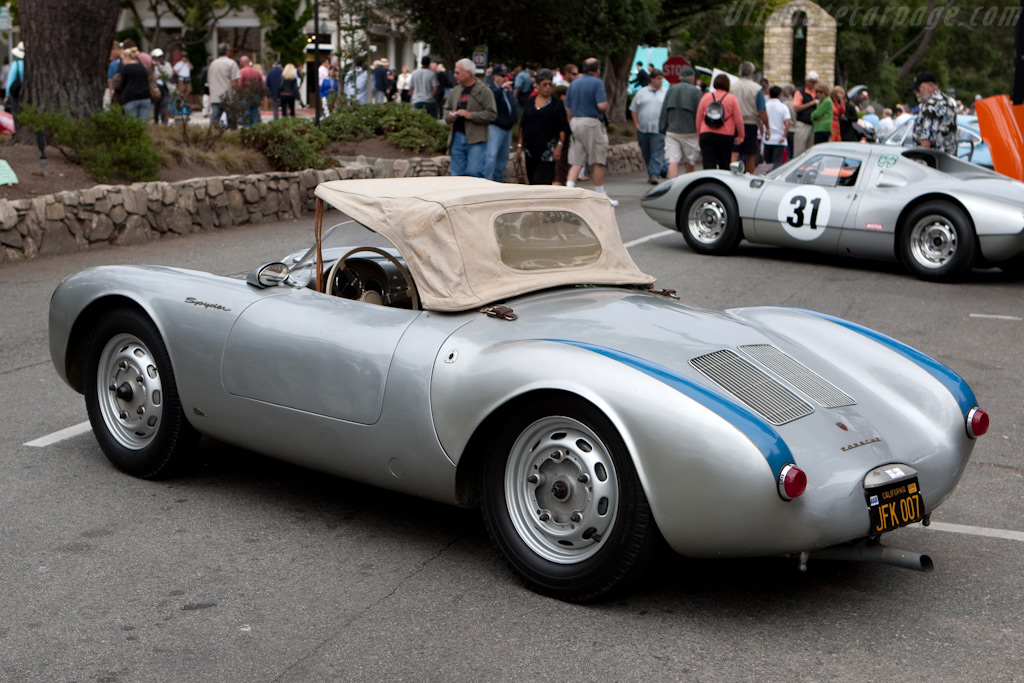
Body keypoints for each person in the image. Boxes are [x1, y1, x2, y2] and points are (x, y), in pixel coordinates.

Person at [565, 57, 617, 206]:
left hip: (575, 121)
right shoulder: (597, 83)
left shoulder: (574, 83)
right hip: (591, 122)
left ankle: (569, 190)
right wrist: (606, 105)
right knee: (598, 160)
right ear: (597, 70)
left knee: (576, 160)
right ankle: (600, 195)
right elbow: (601, 105)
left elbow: (567, 106)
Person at [444, 58, 497, 177]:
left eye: (457, 72)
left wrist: (471, 115)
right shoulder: (455, 91)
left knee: (474, 173)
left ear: (468, 73)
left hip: (476, 139)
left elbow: (492, 114)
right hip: (457, 138)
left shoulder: (484, 91)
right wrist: (450, 116)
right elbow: (446, 110)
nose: (454, 75)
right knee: (456, 174)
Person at [517, 69, 569, 185]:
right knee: (532, 179)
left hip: (548, 150)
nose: (547, 87)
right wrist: (520, 146)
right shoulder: (530, 102)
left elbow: (563, 127)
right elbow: (523, 125)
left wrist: (559, 147)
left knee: (542, 180)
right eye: (544, 85)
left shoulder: (556, 104)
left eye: (550, 85)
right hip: (530, 148)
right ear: (537, 85)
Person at [659, 65, 702, 178]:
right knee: (690, 161)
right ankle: (688, 187)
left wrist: (662, 128)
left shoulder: (671, 90)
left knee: (673, 160)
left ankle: (672, 187)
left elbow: (664, 111)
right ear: (692, 78)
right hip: (690, 132)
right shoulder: (696, 92)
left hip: (672, 131)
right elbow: (700, 113)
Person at [696, 73, 743, 170]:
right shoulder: (731, 98)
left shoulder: (706, 96)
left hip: (707, 133)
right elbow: (738, 119)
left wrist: (699, 134)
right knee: (724, 164)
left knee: (708, 164)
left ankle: (709, 183)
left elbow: (699, 117)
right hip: (726, 135)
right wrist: (741, 135)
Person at [630, 69, 667, 184]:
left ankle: (654, 175)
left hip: (658, 129)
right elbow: (633, 109)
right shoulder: (642, 92)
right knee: (647, 153)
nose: (660, 81)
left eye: (662, 79)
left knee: (657, 152)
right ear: (652, 79)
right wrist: (636, 123)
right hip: (643, 129)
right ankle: (656, 170)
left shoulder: (666, 93)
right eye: (658, 78)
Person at [731, 61, 769, 173]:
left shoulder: (732, 87)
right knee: (750, 154)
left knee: (734, 151)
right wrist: (767, 128)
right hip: (751, 123)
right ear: (751, 72)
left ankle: (731, 172)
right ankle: (749, 176)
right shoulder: (756, 88)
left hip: (734, 123)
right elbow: (761, 110)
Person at [483, 65, 519, 183]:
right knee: (491, 156)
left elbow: (512, 105)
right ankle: (487, 180)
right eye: (502, 76)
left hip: (507, 127)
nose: (504, 78)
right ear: (495, 76)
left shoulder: (506, 89)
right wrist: (499, 89)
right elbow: (490, 101)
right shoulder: (490, 89)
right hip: (496, 126)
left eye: (505, 75)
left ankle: (499, 179)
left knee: (503, 157)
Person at [911, 71, 958, 154]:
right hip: (948, 161)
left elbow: (926, 140)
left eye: (918, 88)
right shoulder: (947, 102)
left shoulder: (931, 105)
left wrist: (919, 161)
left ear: (931, 86)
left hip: (932, 161)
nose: (915, 92)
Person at [112, 46, 152, 122]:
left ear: (127, 57)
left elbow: (122, 84)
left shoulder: (125, 68)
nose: (122, 61)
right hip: (145, 97)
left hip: (131, 97)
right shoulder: (142, 67)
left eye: (123, 59)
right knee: (142, 124)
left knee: (131, 123)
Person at [208, 43, 240, 127]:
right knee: (232, 122)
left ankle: (211, 138)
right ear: (228, 52)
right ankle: (232, 138)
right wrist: (236, 94)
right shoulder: (231, 63)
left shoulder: (213, 64)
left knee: (214, 122)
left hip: (215, 96)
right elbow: (234, 81)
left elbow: (209, 80)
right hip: (227, 97)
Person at [791, 71, 819, 156]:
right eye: (812, 82)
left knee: (810, 151)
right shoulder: (800, 92)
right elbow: (796, 108)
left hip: (813, 124)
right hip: (803, 124)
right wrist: (811, 103)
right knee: (799, 150)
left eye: (815, 82)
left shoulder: (817, 92)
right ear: (807, 81)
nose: (814, 84)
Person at [764, 85, 791, 169]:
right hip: (779, 139)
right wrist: (784, 136)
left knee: (768, 163)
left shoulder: (765, 106)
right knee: (777, 163)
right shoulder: (783, 107)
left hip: (767, 139)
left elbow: (761, 122)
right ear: (780, 94)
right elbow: (787, 123)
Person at [238, 55, 263, 127]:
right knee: (255, 113)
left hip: (245, 95)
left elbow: (239, 85)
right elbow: (261, 84)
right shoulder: (256, 72)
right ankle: (255, 130)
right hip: (255, 95)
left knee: (246, 114)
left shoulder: (241, 72)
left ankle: (247, 130)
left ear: (241, 63)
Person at [151, 49, 174, 125]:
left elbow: (168, 75)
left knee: (164, 105)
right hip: (155, 87)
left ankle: (164, 122)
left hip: (164, 87)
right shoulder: (151, 66)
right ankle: (156, 121)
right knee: (156, 106)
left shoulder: (166, 65)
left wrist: (160, 67)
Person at [5, 42, 25, 117]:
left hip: (17, 93)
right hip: (29, 92)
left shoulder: (16, 64)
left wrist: (7, 95)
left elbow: (10, 80)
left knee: (16, 114)